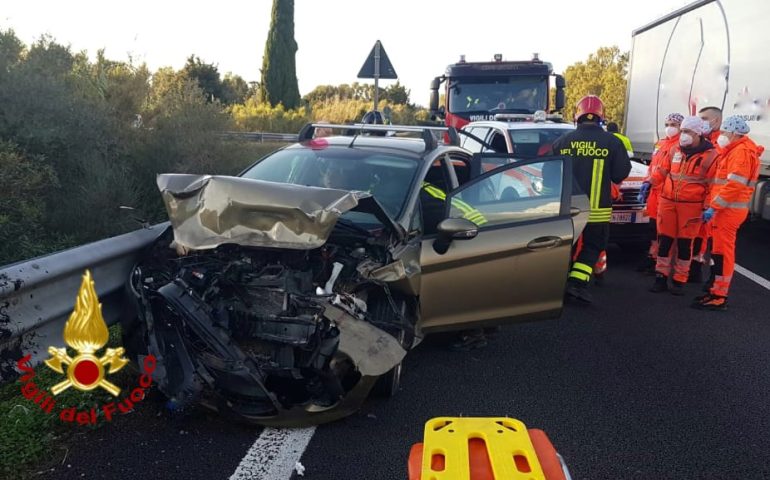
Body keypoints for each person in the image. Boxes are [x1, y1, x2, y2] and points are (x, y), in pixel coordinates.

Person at [552, 95, 632, 303]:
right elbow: (620, 174)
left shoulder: (562, 142)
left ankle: (558, 284)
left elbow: (549, 175)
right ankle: (577, 284)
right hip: (597, 209)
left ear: (576, 116)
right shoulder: (612, 142)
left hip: (567, 208)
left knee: (566, 246)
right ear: (601, 117)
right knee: (593, 246)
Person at [693, 116, 764, 310]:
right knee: (718, 252)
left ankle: (719, 296)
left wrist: (714, 207)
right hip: (726, 210)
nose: (722, 136)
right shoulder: (736, 150)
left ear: (734, 133)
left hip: (728, 211)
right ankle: (715, 290)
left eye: (724, 132)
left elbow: (734, 185)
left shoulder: (740, 152)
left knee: (723, 253)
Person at [648, 116, 718, 295]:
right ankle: (661, 277)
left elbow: (713, 185)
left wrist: (708, 207)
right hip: (668, 202)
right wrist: (649, 182)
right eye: (683, 131)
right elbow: (663, 171)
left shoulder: (710, 156)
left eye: (687, 132)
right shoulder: (674, 150)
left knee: (685, 244)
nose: (683, 135)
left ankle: (680, 279)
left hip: (691, 206)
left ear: (698, 134)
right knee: (665, 242)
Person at [637, 113, 684, 273]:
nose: (669, 127)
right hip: (654, 192)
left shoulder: (680, 146)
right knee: (652, 228)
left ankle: (660, 262)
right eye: (667, 124)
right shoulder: (661, 143)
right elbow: (652, 166)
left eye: (674, 125)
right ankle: (652, 256)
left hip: (667, 193)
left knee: (664, 230)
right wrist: (646, 182)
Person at [689, 106, 724, 282]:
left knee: (713, 243)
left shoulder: (721, 145)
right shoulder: (703, 142)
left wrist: (712, 205)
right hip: (701, 199)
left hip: (715, 202)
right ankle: (694, 271)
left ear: (715, 121)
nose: (700, 122)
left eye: (704, 119)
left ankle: (713, 280)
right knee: (698, 237)